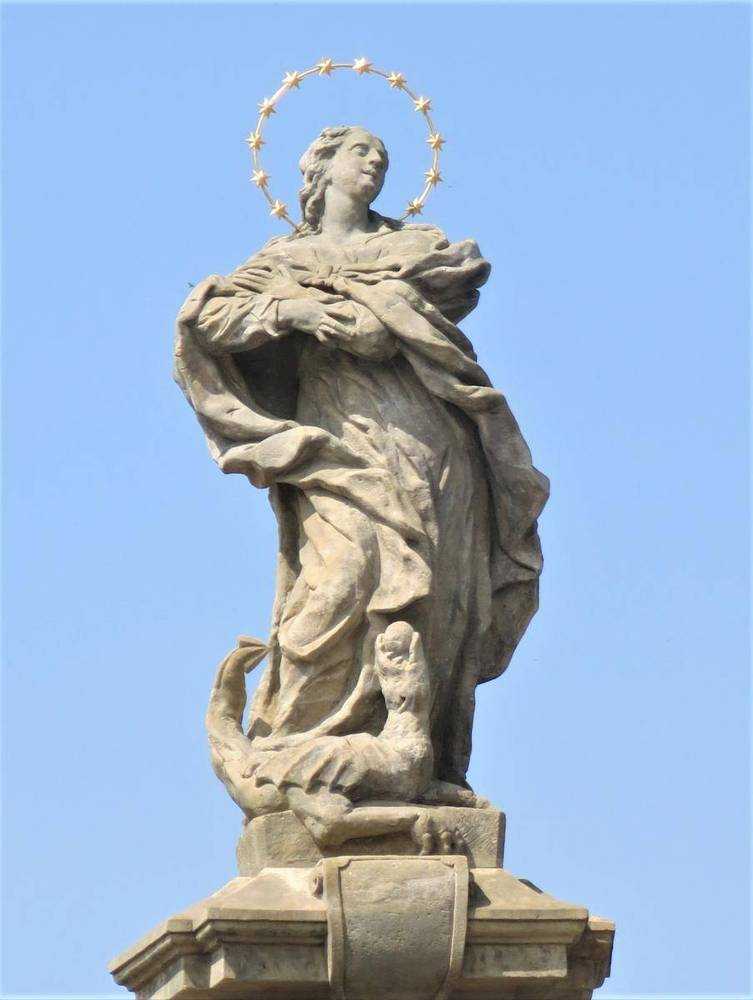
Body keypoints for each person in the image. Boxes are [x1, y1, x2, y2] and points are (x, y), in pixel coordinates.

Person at [174, 126, 548, 807]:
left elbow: (461, 277)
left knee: (433, 594)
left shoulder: (411, 248)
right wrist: (295, 309)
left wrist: (380, 313)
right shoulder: (282, 262)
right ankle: (290, 747)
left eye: (383, 155)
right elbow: (210, 321)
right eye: (359, 151)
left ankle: (418, 759)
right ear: (318, 170)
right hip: (336, 445)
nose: (375, 161)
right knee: (339, 579)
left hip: (427, 437)